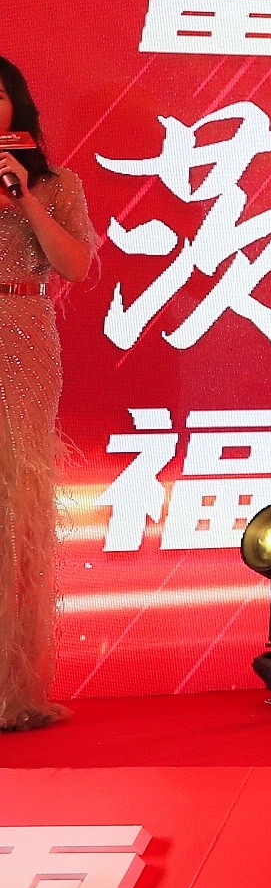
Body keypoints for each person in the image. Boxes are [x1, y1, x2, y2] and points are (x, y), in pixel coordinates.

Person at [0, 58, 91, 733]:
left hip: (25, 335)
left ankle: (11, 687)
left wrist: (25, 199)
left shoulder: (57, 185)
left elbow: (76, 265)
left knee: (15, 510)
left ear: (17, 106)